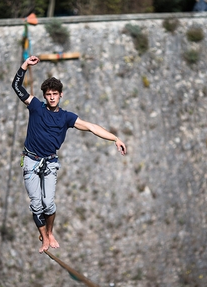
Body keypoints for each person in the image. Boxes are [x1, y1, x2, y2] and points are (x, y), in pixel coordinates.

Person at [12, 55, 127, 253]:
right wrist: (24, 65)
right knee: (36, 204)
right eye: (48, 94)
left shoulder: (66, 117)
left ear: (61, 95)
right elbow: (17, 87)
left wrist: (115, 138)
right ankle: (44, 239)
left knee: (49, 204)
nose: (52, 97)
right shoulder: (36, 107)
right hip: (31, 160)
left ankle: (49, 232)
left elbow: (91, 127)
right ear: (45, 96)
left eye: (55, 94)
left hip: (49, 163)